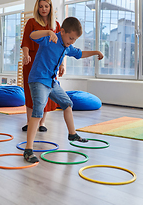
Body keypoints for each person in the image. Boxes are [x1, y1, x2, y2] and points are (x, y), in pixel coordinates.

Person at [24, 17, 104, 163]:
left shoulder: (67, 47)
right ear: (62, 31)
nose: (72, 41)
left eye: (75, 39)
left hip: (51, 81)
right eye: (71, 38)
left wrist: (96, 52)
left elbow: (79, 54)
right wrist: (48, 32)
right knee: (38, 111)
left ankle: (72, 134)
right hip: (39, 79)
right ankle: (28, 149)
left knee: (67, 103)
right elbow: (32, 35)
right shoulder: (50, 39)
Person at [21, 0, 63, 132]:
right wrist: (26, 55)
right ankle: (29, 122)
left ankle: (42, 123)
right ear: (37, 8)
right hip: (32, 61)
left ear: (50, 8)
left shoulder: (56, 25)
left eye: (46, 6)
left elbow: (62, 46)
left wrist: (61, 64)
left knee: (46, 91)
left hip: (49, 63)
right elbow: (26, 41)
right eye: (41, 6)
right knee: (30, 92)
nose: (43, 9)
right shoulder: (31, 22)